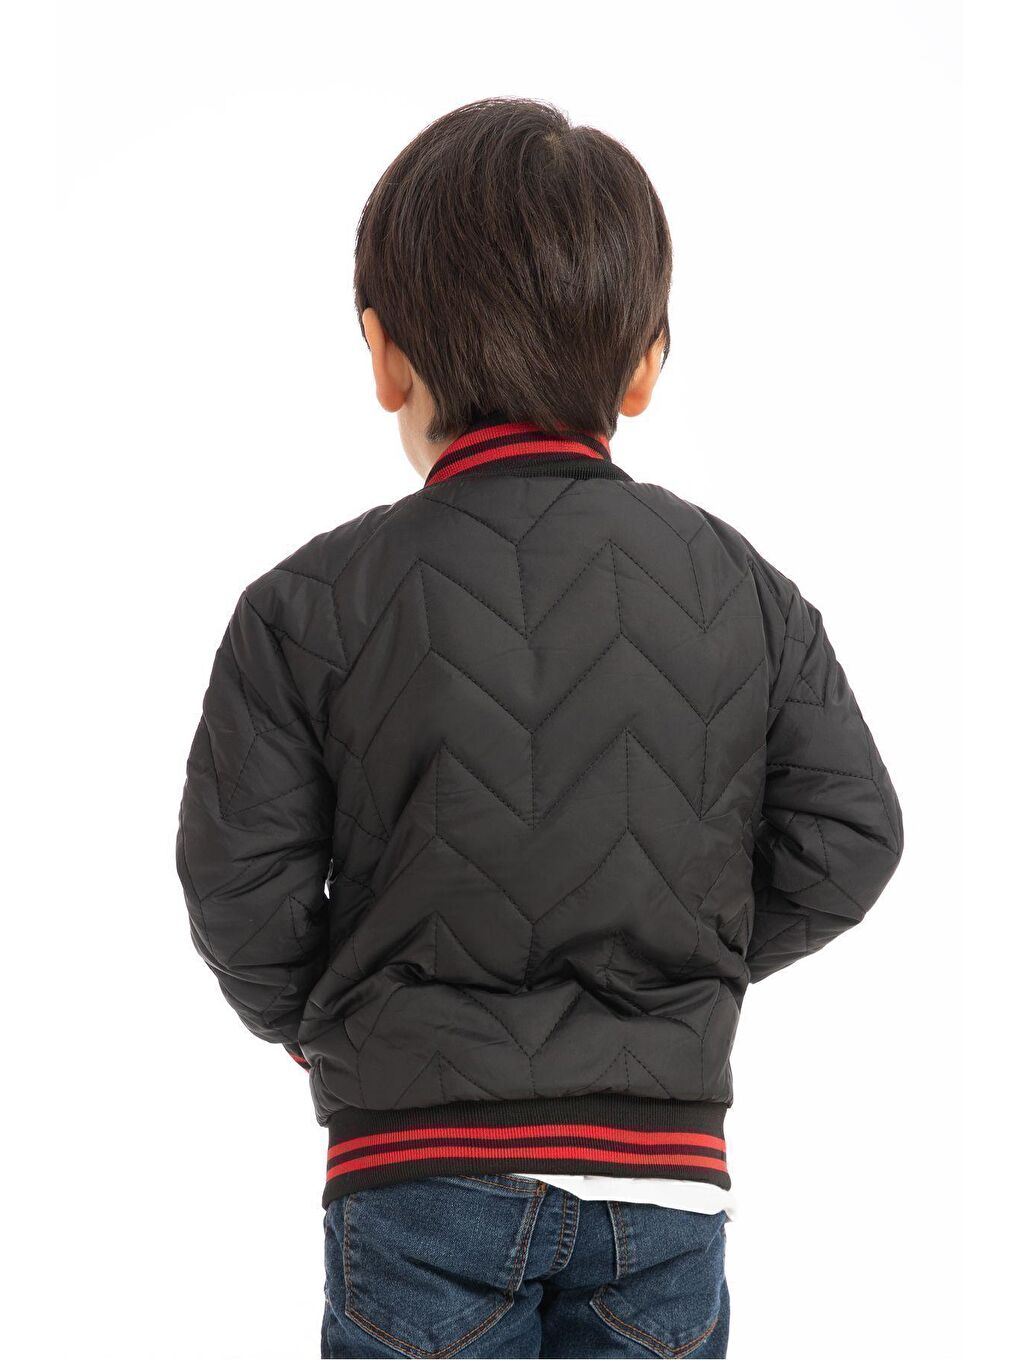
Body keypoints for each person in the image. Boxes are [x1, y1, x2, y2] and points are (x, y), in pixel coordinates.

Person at [175, 97, 904, 1359]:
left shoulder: (308, 605)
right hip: (663, 1182)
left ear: (385, 356)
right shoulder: (742, 590)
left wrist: (321, 1016)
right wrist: (686, 966)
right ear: (646, 364)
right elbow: (851, 836)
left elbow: (237, 881)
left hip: (417, 1167)